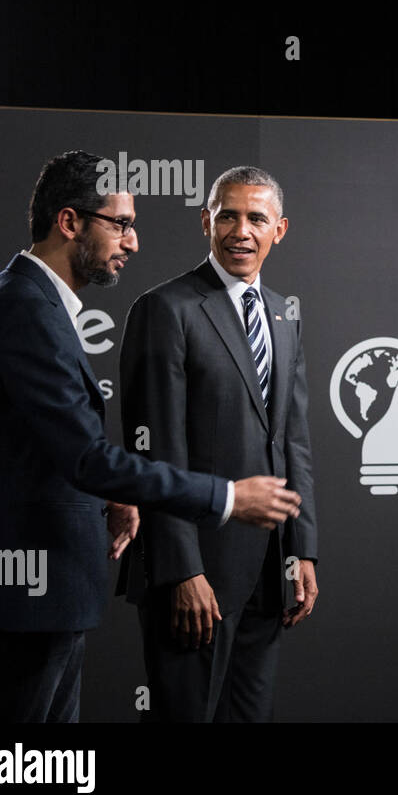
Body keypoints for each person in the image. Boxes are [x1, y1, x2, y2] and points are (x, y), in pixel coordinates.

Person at [0, 150, 303, 723]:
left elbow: (49, 447)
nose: (133, 242)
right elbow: (86, 454)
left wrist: (110, 494)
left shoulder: (38, 302)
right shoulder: (27, 308)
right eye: (121, 224)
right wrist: (229, 497)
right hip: (26, 589)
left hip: (46, 588)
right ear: (70, 222)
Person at [118, 165, 318, 722]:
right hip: (196, 577)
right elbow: (153, 452)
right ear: (205, 221)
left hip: (269, 573)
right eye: (227, 215)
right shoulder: (166, 309)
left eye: (257, 218)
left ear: (280, 229)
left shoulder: (284, 314)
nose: (240, 230)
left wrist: (301, 549)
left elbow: (292, 442)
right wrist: (182, 568)